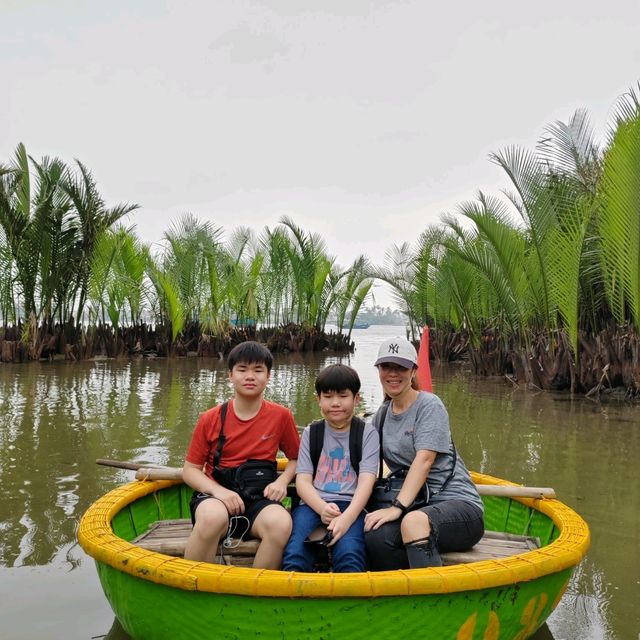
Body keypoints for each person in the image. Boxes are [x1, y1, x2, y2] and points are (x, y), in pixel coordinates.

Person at [364, 336, 484, 570]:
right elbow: (361, 455)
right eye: (387, 366)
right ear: (379, 370)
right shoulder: (382, 415)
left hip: (457, 506)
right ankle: (399, 595)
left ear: (413, 371)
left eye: (401, 367)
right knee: (374, 536)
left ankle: (434, 600)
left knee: (413, 522)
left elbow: (424, 460)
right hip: (417, 504)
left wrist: (396, 508)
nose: (393, 374)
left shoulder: (430, 406)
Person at [182, 341, 300, 569]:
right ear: (230, 375)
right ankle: (196, 585)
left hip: (259, 499)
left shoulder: (281, 416)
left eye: (258, 370)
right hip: (216, 498)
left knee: (281, 524)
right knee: (212, 518)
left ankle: (256, 591)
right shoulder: (211, 418)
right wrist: (219, 492)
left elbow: (297, 459)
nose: (250, 376)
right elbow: (190, 470)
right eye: (242, 369)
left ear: (268, 376)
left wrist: (282, 481)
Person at [282, 364, 379, 573]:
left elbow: (366, 482)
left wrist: (347, 518)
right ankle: (293, 601)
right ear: (318, 400)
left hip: (352, 506)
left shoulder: (367, 433)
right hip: (313, 505)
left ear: (356, 399)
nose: (335, 403)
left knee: (350, 552)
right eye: (328, 396)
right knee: (295, 552)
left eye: (343, 396)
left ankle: (349, 603)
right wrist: (321, 507)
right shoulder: (312, 432)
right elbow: (303, 481)